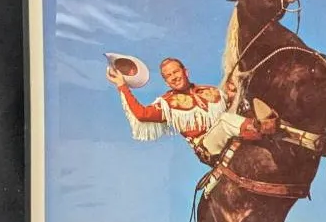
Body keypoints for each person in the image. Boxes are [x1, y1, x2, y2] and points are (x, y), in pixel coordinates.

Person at [107, 57, 278, 165]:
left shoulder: (211, 91)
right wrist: (122, 86)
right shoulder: (167, 104)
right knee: (225, 120)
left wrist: (234, 93)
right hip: (208, 148)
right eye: (168, 76)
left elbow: (233, 104)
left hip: (231, 136)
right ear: (166, 82)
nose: (174, 77)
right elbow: (141, 114)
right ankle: (263, 129)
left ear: (186, 72)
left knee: (247, 100)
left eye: (176, 72)